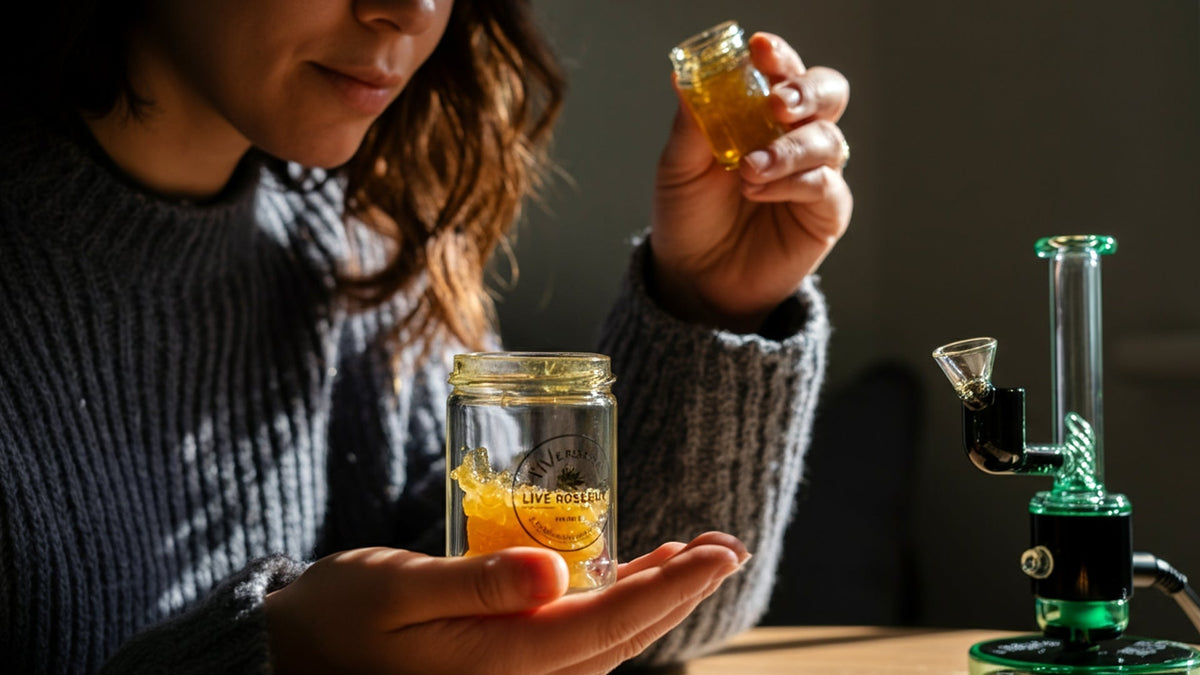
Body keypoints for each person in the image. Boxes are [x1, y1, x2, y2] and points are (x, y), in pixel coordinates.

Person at [0, 0, 852, 673]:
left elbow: (571, 611)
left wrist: (711, 299)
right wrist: (274, 658)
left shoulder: (374, 250)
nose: (411, 10)